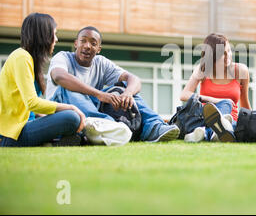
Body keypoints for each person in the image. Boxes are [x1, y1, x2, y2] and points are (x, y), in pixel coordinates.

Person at [45, 26, 179, 143]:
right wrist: (99, 94)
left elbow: (134, 79)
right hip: (62, 109)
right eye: (83, 41)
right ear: (76, 43)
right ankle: (110, 128)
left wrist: (128, 94)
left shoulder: (101, 62)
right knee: (70, 89)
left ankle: (154, 127)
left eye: (93, 43)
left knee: (126, 90)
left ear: (98, 49)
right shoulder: (62, 57)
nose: (87, 46)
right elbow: (59, 76)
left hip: (91, 110)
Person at [0, 13, 85, 147]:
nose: (56, 39)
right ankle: (53, 141)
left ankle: (54, 141)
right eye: (54, 34)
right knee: (71, 117)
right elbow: (32, 103)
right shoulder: (21, 57)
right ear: (43, 35)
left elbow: (34, 111)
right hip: (13, 134)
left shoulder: (30, 60)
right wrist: (71, 107)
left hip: (27, 126)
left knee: (71, 119)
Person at [180, 33, 251, 142]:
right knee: (225, 103)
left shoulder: (240, 70)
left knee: (229, 115)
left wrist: (251, 122)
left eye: (229, 51)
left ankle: (206, 133)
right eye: (223, 53)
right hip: (205, 119)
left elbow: (245, 103)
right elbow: (184, 95)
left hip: (232, 121)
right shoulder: (203, 69)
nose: (228, 56)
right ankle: (216, 131)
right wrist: (214, 100)